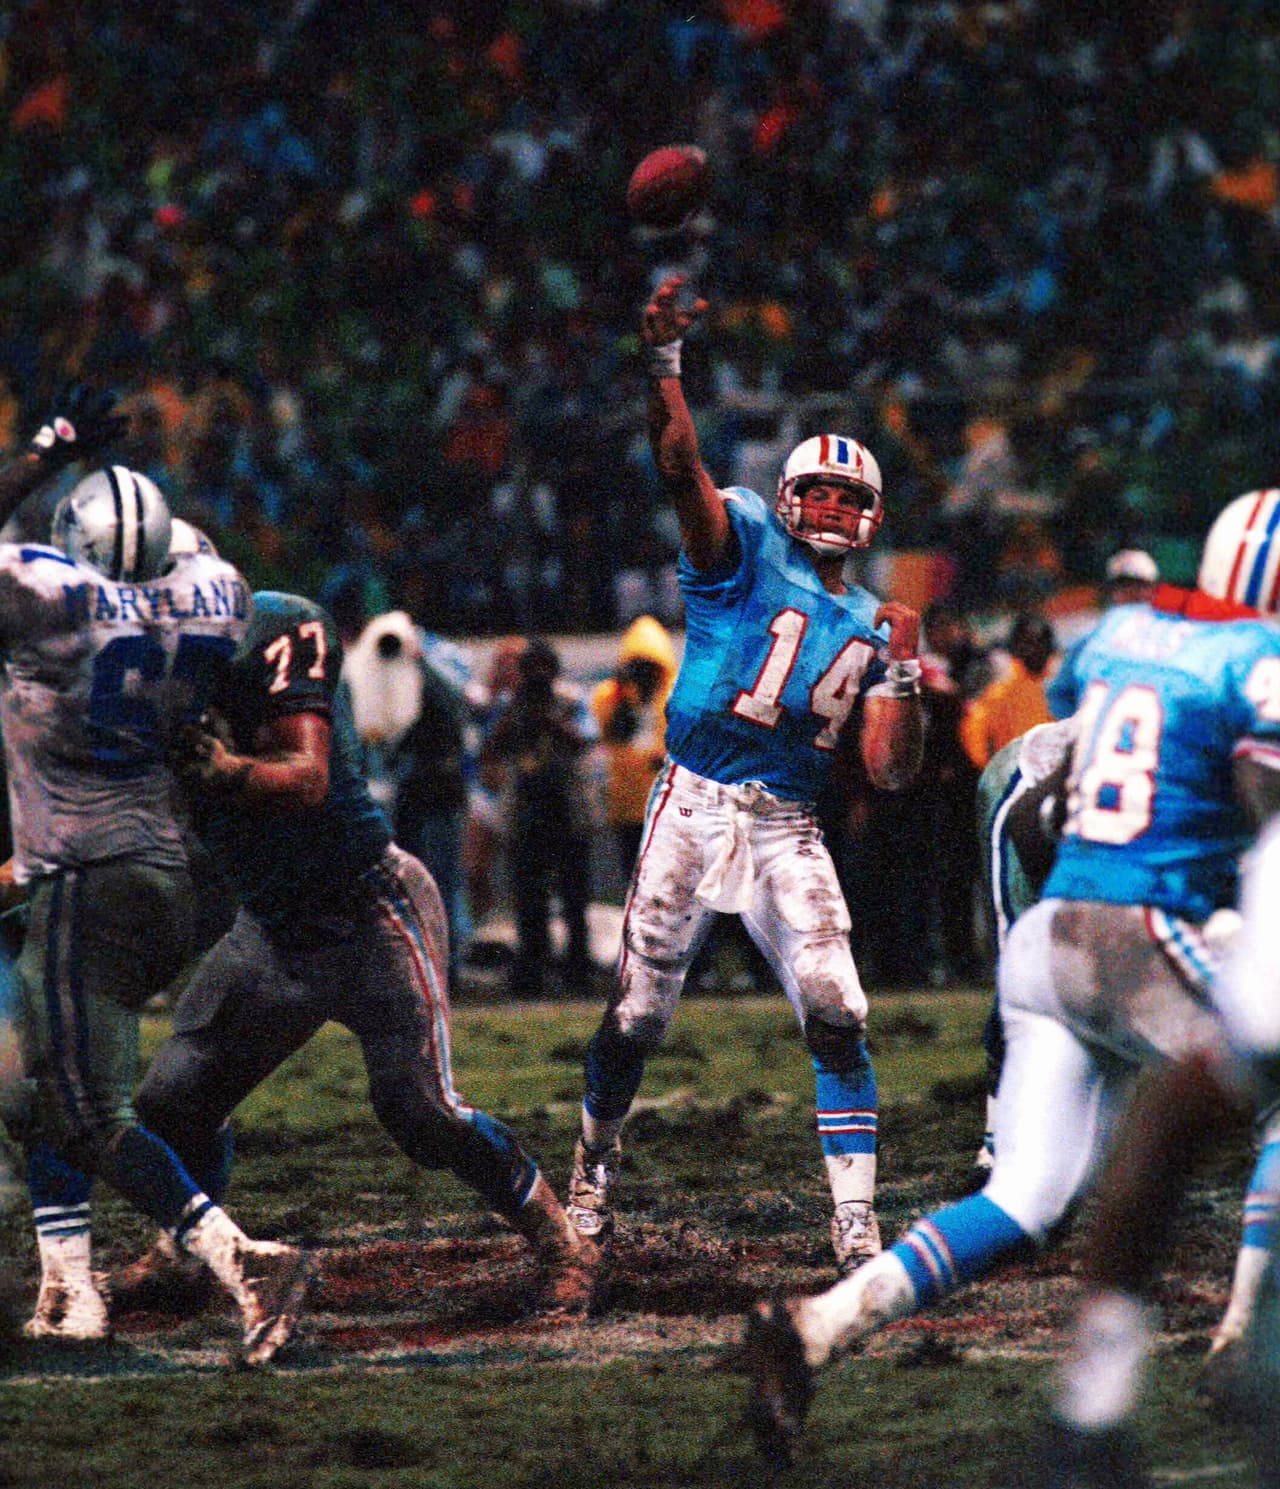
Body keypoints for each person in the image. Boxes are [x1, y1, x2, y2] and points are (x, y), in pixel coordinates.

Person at [741, 488, 1280, 1469]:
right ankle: (1242, 1333)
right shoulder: (1256, 664)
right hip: (1140, 931)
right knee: (1264, 1085)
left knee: (1028, 1195)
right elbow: (1261, 805)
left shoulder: (1121, 632)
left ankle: (815, 1324)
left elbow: (1078, 775)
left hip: (1046, 935)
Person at [109, 588, 599, 1321]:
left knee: (421, 1109)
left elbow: (305, 779)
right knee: (171, 1104)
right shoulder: (126, 679)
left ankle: (564, 1244)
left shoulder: (271, 632)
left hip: (370, 910)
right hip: (273, 930)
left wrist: (228, 771)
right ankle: (188, 1251)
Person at [565, 275, 923, 1275]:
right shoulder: (743, 544)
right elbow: (677, 463)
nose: (827, 506)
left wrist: (903, 675)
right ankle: (589, 1184)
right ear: (783, 497)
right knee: (636, 1016)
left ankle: (854, 1222)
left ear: (872, 515)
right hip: (691, 795)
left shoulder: (868, 623)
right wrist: (664, 363)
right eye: (814, 488)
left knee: (837, 1007)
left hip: (785, 824)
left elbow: (891, 772)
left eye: (847, 496)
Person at [0, 389, 312, 1366]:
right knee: (34, 1090)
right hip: (163, 876)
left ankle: (240, 1260)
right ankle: (65, 1283)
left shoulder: (53, 604)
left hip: (76, 875)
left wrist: (50, 447)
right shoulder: (210, 590)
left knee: (87, 1110)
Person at [342, 609, 472, 977]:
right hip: (409, 795)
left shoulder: (432, 669)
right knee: (408, 885)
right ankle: (415, 966)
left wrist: (420, 661)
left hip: (442, 793)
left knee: (442, 883)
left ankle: (450, 968)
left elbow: (454, 704)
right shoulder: (379, 679)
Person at [479, 637, 600, 998]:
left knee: (575, 897)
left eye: (544, 669)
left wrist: (549, 720)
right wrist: (513, 715)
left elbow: (585, 742)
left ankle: (578, 972)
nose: (538, 676)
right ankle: (533, 971)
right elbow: (490, 749)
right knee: (529, 898)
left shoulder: (572, 700)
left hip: (567, 808)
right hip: (528, 809)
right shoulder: (510, 705)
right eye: (531, 669)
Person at [591, 615, 678, 880]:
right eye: (636, 665)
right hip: (627, 804)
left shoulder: (676, 694)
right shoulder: (612, 695)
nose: (643, 673)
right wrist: (621, 696)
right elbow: (607, 733)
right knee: (634, 875)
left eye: (649, 666)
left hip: (667, 804)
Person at [959, 609, 1057, 771]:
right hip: (1015, 778)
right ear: (1015, 647)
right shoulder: (1001, 691)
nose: (1033, 649)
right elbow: (975, 730)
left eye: (1040, 642)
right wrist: (989, 768)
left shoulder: (1061, 685)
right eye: (1026, 643)